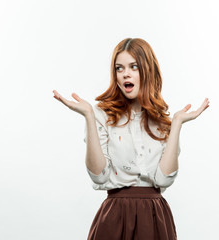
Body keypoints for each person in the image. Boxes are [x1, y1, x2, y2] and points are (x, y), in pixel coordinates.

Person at [53, 38, 210, 240]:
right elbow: (99, 176)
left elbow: (163, 180)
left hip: (155, 217)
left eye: (133, 67)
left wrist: (177, 122)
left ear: (147, 71)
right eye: (119, 68)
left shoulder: (164, 123)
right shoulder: (102, 115)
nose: (125, 73)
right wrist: (89, 117)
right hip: (115, 216)